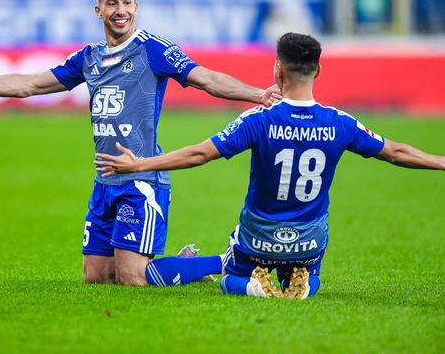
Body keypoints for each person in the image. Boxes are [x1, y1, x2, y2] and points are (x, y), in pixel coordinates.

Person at [0, 0, 281, 286]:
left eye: (127, 2)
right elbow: (29, 84)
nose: (121, 10)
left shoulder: (153, 49)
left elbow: (205, 78)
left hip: (141, 178)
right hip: (104, 180)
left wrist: (257, 95)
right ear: (98, 10)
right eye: (112, 3)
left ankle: (224, 261)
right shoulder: (89, 57)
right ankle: (182, 264)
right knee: (98, 277)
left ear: (136, 8)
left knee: (132, 278)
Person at [94, 32, 445, 298]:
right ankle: (304, 283)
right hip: (308, 240)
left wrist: (139, 164)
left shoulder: (259, 120)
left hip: (258, 238)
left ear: (278, 70)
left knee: (222, 274)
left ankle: (249, 284)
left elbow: (199, 154)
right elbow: (396, 152)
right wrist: (441, 161)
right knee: (310, 264)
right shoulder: (341, 123)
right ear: (318, 70)